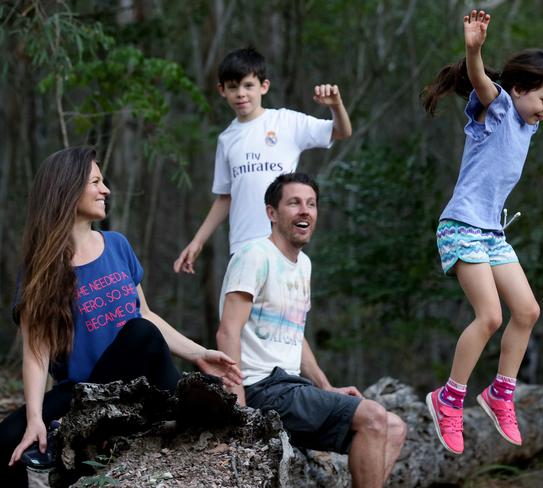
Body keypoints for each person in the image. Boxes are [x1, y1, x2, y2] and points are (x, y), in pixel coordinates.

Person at [0, 146, 243, 486]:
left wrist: (199, 353)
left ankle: (189, 412)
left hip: (135, 386)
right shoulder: (40, 268)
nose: (106, 190)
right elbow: (36, 353)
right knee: (6, 437)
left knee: (140, 331)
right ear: (67, 190)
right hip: (82, 392)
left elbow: (144, 315)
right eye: (96, 182)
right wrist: (35, 418)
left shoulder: (116, 245)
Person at [421, 10, 543, 455]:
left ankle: (500, 393)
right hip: (461, 225)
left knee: (527, 311)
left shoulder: (529, 119)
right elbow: (480, 79)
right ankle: (449, 399)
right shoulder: (497, 106)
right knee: (490, 316)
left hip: (492, 233)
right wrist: (474, 48)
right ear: (517, 89)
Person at [217, 173, 406, 488]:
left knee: (395, 428)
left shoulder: (303, 264)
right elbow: (228, 331)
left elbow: (294, 332)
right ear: (272, 213)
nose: (305, 210)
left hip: (291, 388)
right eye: (294, 203)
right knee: (373, 416)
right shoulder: (254, 255)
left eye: (311, 204)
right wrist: (238, 412)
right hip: (261, 389)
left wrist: (326, 387)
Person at [173, 47, 352, 273]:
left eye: (248, 85)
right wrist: (197, 241)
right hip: (242, 247)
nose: (241, 93)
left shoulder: (285, 121)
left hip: (282, 244)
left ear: (263, 86)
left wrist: (335, 105)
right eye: (233, 87)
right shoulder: (227, 139)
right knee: (240, 308)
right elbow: (225, 197)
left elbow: (341, 131)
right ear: (222, 90)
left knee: (285, 309)